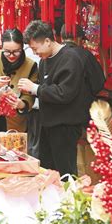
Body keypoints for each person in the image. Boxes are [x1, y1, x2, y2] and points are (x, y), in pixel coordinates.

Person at [18, 20, 88, 177]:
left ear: (48, 41)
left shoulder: (70, 58)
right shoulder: (45, 60)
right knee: (47, 170)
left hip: (65, 126)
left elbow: (64, 93)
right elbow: (45, 89)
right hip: (48, 123)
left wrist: (35, 89)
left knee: (65, 172)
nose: (35, 54)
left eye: (36, 49)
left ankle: (69, 200)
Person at [61, 24, 107, 182]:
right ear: (80, 39)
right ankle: (88, 181)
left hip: (60, 115)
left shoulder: (55, 56)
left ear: (60, 38)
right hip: (83, 111)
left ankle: (69, 184)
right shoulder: (85, 55)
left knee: (66, 154)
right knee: (87, 147)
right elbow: (99, 83)